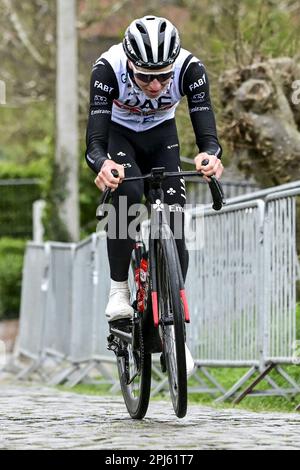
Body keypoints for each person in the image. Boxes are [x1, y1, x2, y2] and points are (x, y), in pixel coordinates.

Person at [85, 15, 223, 373]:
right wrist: (103, 165)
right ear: (130, 62)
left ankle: (175, 335)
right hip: (120, 137)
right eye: (146, 76)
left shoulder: (191, 70)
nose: (157, 84)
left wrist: (210, 155)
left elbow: (206, 129)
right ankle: (119, 289)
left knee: (176, 220)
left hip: (163, 137)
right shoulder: (107, 70)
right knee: (127, 197)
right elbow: (95, 143)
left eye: (164, 75)